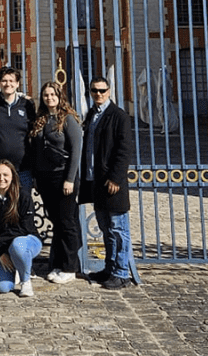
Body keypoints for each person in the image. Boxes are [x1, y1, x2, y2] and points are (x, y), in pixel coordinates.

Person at [79, 76, 133, 289]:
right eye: (94, 90)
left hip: (112, 183)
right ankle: (110, 268)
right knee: (105, 228)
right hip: (96, 181)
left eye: (102, 90)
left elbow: (124, 150)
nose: (98, 94)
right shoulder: (92, 115)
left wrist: (116, 177)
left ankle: (121, 273)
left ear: (109, 91)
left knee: (118, 229)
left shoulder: (119, 116)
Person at [28, 80, 82, 283]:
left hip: (63, 176)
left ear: (60, 96)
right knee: (57, 221)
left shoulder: (68, 119)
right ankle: (58, 264)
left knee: (67, 222)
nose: (49, 98)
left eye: (53, 94)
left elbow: (76, 151)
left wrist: (70, 179)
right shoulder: (41, 118)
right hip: (45, 177)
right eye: (46, 95)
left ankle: (69, 267)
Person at [0, 159, 42, 296]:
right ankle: (15, 269)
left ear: (12, 176)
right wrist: (0, 252)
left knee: (17, 245)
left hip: (26, 240)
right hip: (1, 247)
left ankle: (26, 281)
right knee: (3, 287)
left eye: (5, 175)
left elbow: (25, 227)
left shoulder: (23, 195)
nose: (1, 178)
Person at [0, 66, 36, 194]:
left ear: (17, 84)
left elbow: (34, 132)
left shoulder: (27, 105)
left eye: (11, 81)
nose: (7, 84)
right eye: (4, 81)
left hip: (22, 168)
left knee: (23, 205)